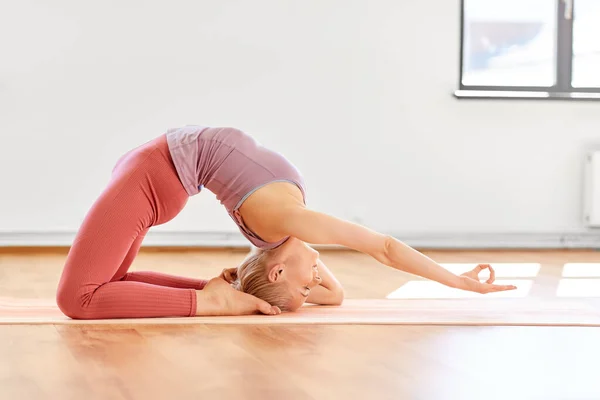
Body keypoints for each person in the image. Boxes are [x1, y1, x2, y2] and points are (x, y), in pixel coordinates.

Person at [56, 125, 516, 320]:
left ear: (275, 269)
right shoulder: (287, 222)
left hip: (152, 177)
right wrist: (459, 282)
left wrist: (270, 293)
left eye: (303, 285)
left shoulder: (278, 228)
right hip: (157, 174)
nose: (314, 282)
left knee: (83, 296)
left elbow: (325, 290)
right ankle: (215, 299)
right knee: (96, 291)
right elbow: (382, 251)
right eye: (305, 286)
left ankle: (215, 302)